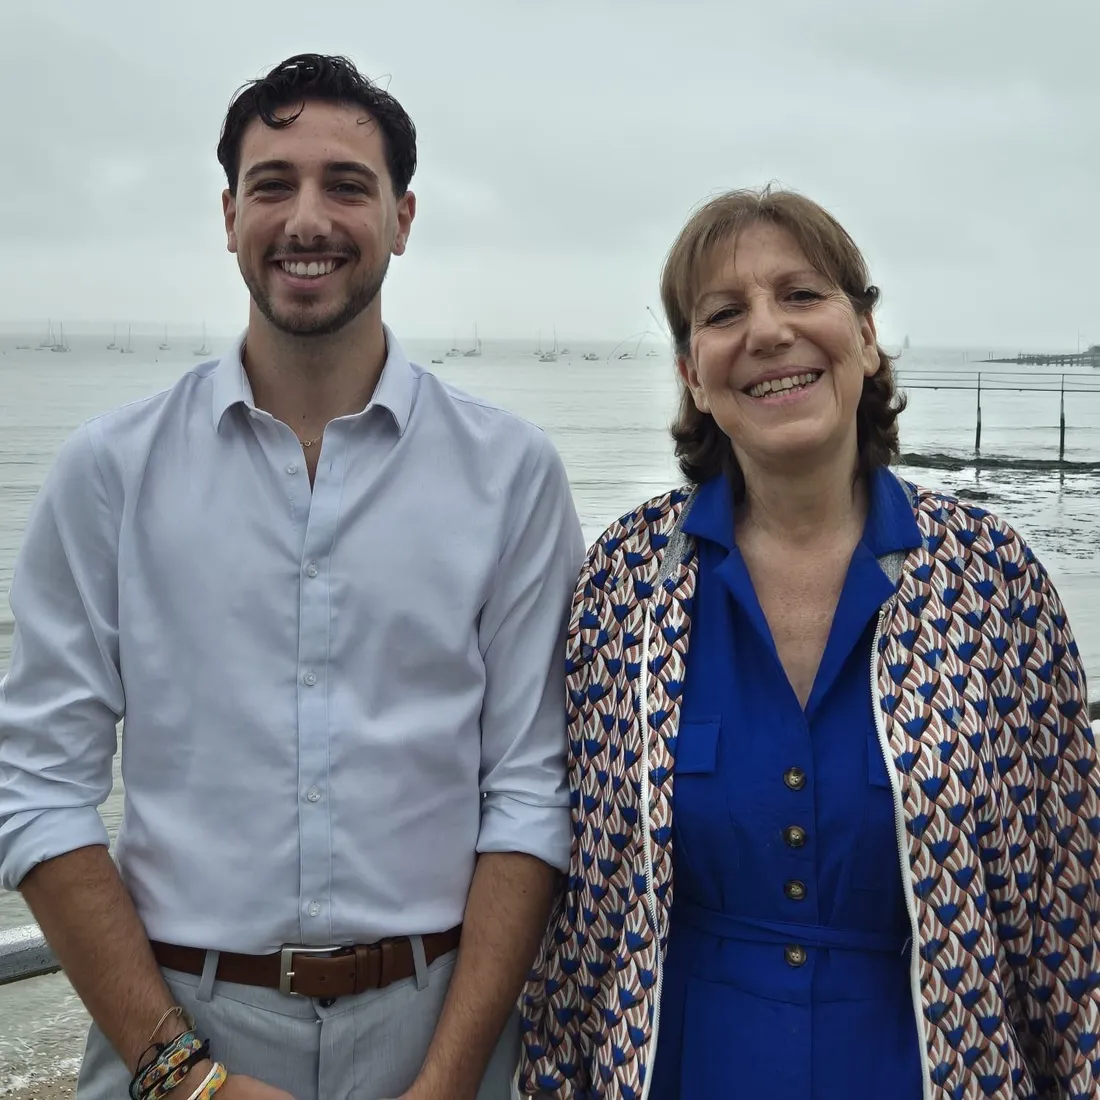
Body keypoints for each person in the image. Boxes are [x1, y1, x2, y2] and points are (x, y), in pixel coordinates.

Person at [0, 53, 585, 1100]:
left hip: (442, 1020)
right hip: (175, 1020)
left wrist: (446, 1079)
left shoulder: (510, 475)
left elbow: (529, 792)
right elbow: (39, 786)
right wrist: (178, 1067)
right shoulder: (110, 473)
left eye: (346, 185)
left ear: (402, 217)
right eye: (272, 184)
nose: (306, 217)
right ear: (229, 215)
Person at [518, 186, 1100, 1099]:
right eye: (723, 314)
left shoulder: (994, 580)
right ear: (692, 374)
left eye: (802, 294)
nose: (768, 331)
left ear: (865, 338)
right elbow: (583, 920)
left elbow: (1072, 915)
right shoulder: (626, 580)